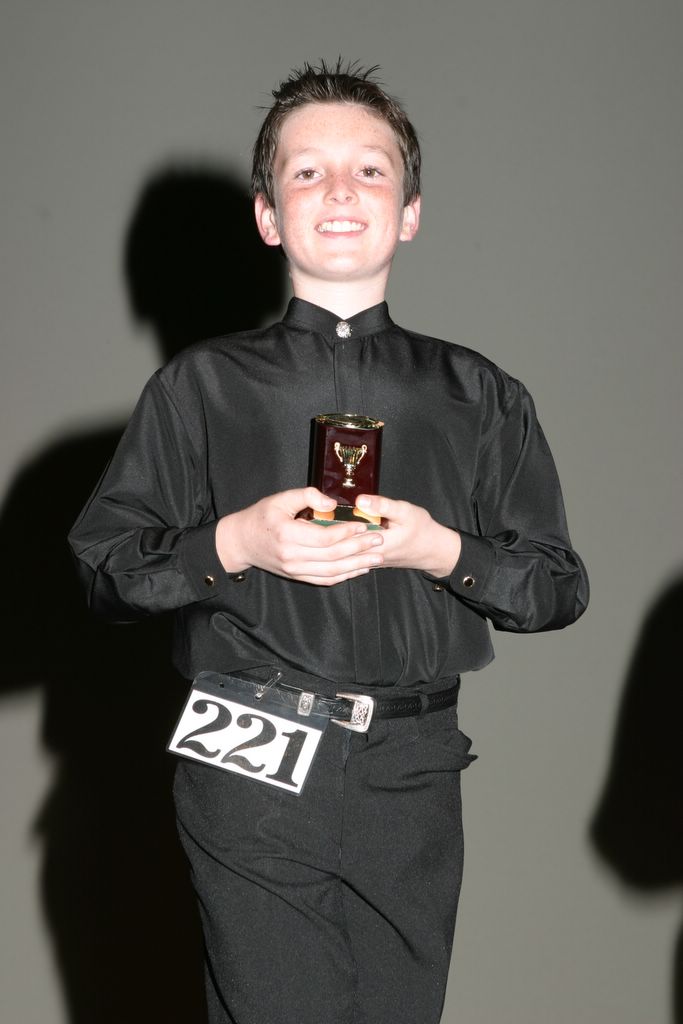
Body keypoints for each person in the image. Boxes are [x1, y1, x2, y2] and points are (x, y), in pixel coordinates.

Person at [69, 60, 589, 1024]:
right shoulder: (200, 387)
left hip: (413, 760)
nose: (341, 189)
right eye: (307, 172)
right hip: (247, 746)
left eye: (370, 170)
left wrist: (441, 550)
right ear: (268, 216)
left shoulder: (478, 393)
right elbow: (105, 566)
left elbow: (556, 586)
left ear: (410, 212)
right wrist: (234, 540)